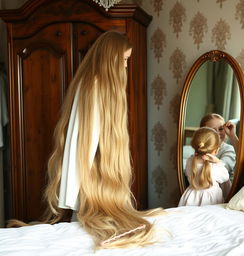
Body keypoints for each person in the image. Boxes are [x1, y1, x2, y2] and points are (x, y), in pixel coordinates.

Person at [9, 31, 163, 248]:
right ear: (111, 58)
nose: (126, 66)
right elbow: (83, 141)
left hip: (94, 178)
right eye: (124, 60)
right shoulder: (95, 86)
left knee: (94, 228)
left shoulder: (94, 84)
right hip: (89, 179)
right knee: (92, 230)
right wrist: (74, 189)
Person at [178, 127, 229, 206]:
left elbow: (188, 175)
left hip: (190, 197)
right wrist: (218, 162)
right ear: (216, 150)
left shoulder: (190, 161)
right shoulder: (216, 167)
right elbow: (225, 177)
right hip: (211, 199)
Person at [200, 113, 238, 182]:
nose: (217, 133)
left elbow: (224, 168)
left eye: (221, 129)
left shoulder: (229, 149)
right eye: (213, 130)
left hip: (223, 189)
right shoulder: (201, 149)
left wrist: (232, 135)